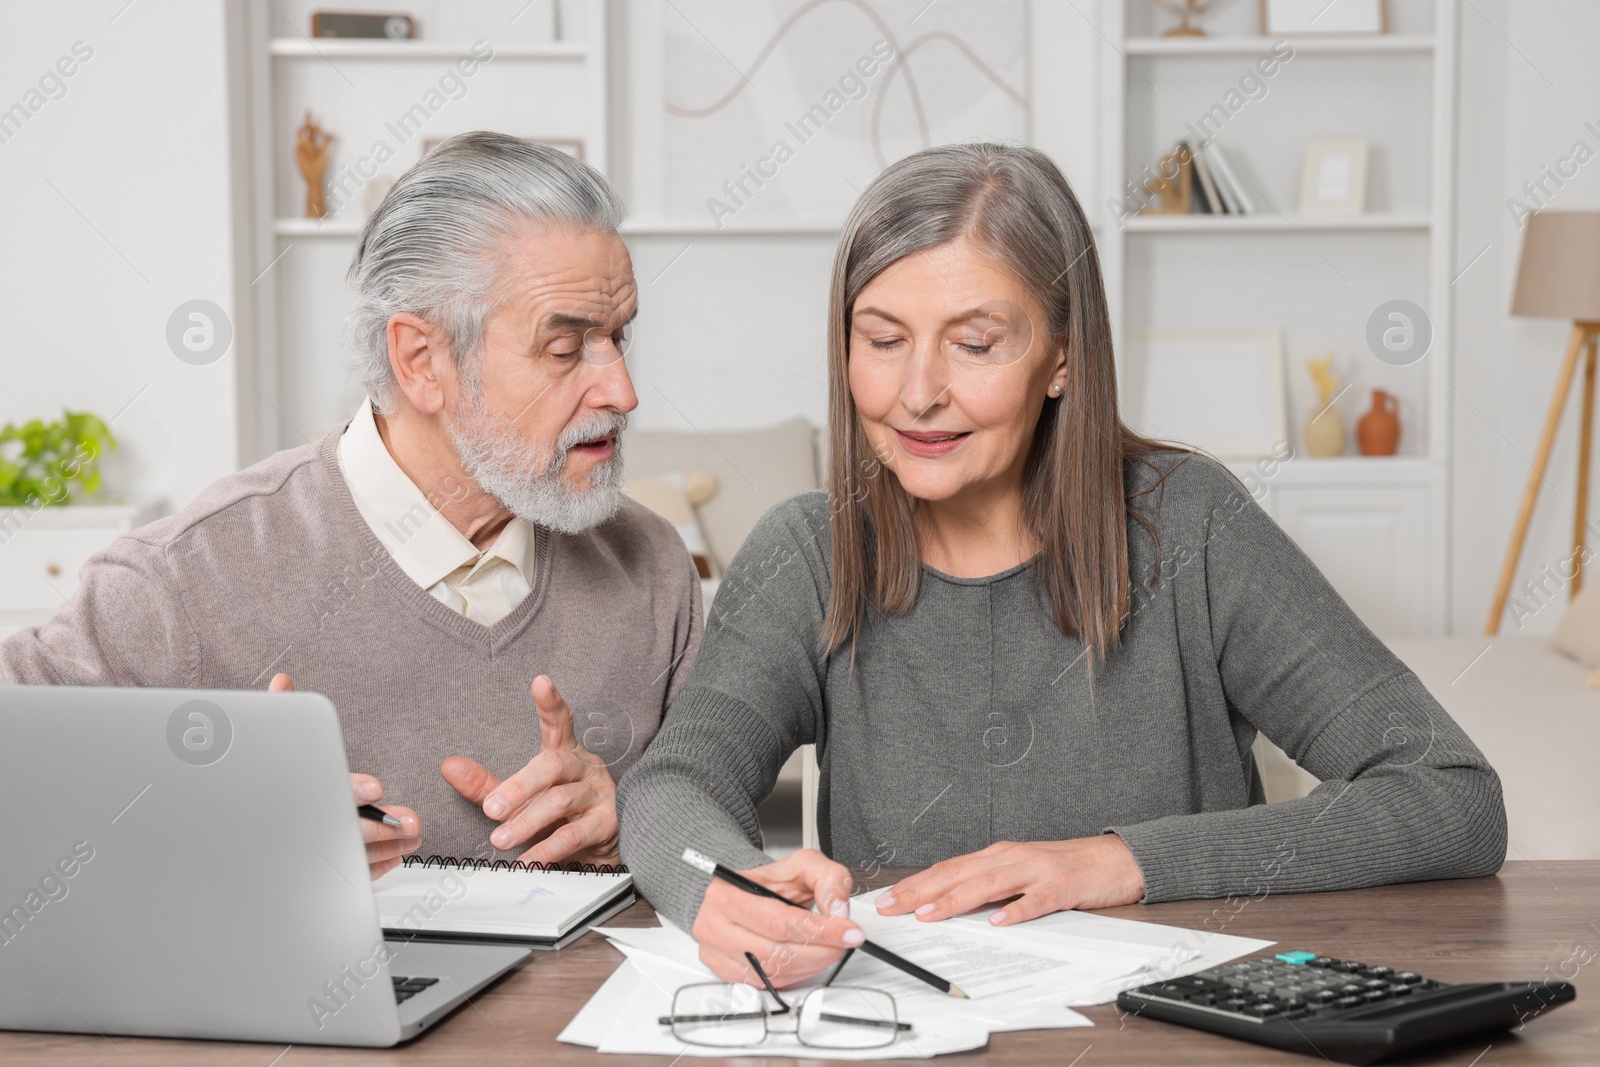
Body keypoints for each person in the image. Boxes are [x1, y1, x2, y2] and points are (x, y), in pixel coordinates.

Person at [615, 142, 1506, 988]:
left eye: (973, 343)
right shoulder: (811, 551)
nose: (917, 391)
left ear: (1063, 357)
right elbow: (676, 783)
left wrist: (1115, 861)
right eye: (883, 340)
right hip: (917, 1025)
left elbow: (1451, 797)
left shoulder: (1191, 524)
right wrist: (722, 886)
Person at [0, 133, 702, 879]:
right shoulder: (185, 578)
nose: (622, 391)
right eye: (566, 350)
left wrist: (636, 822)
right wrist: (202, 822)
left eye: (617, 337)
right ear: (421, 362)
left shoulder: (652, 569)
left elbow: (718, 836)